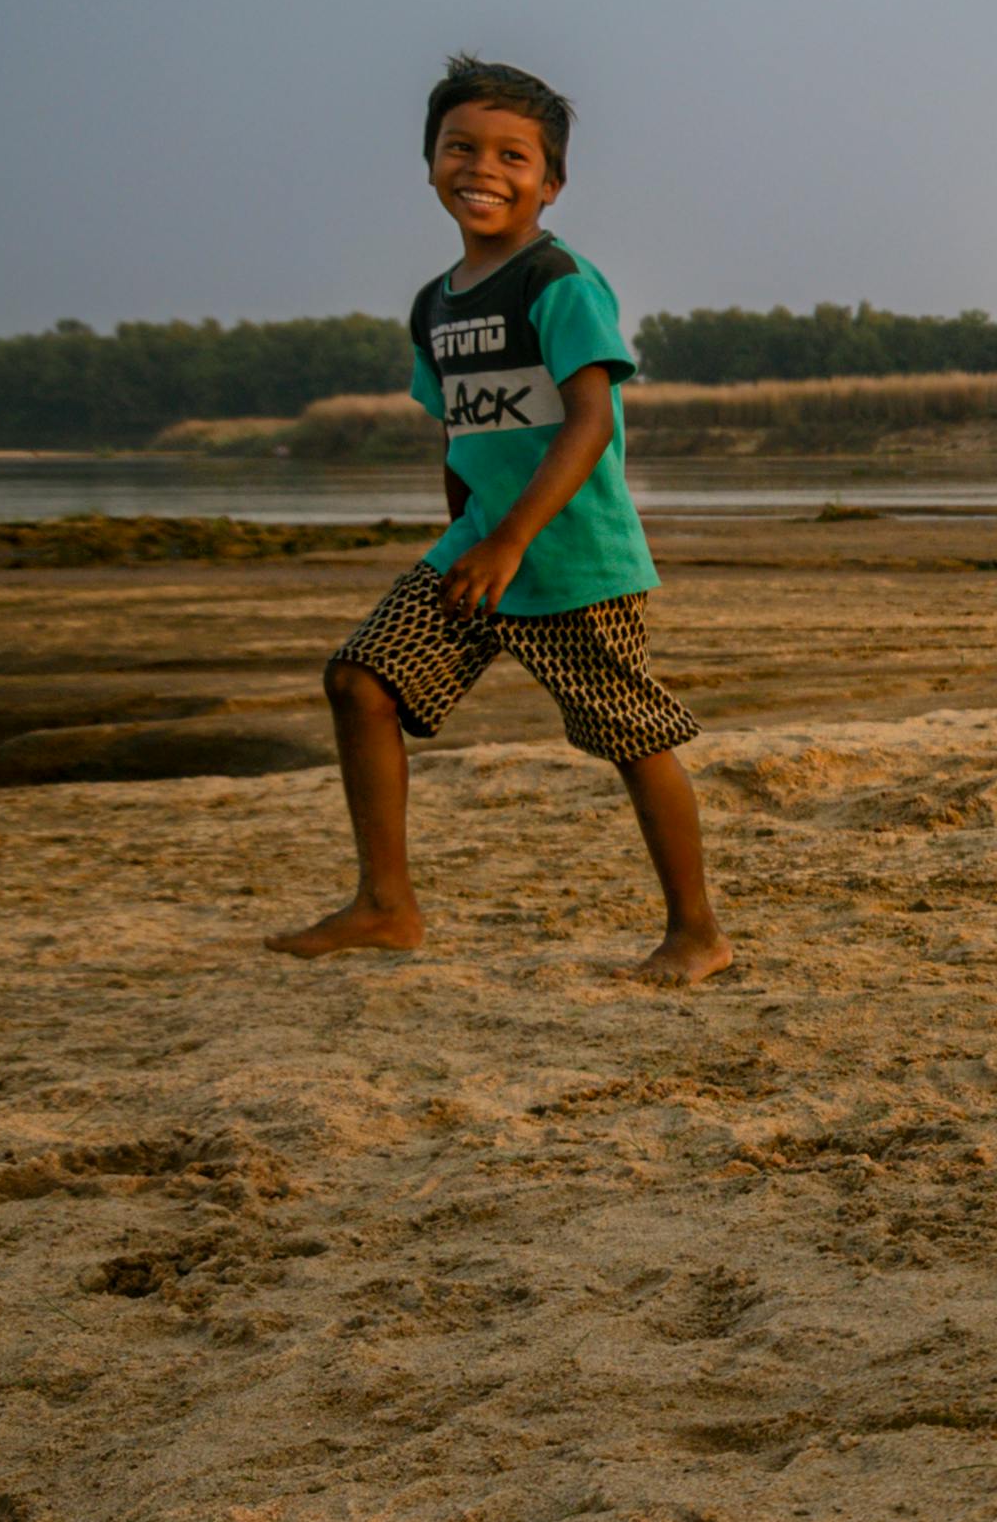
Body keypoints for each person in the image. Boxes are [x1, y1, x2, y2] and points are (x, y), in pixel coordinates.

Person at [269, 55, 730, 985]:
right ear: (431, 164)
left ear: (550, 183)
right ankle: (386, 907)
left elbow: (591, 419)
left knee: (630, 735)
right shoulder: (433, 305)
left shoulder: (555, 283)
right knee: (361, 683)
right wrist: (466, 536)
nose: (484, 168)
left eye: (513, 155)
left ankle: (696, 932)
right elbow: (459, 434)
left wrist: (511, 539)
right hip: (477, 552)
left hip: (570, 559)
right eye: (460, 148)